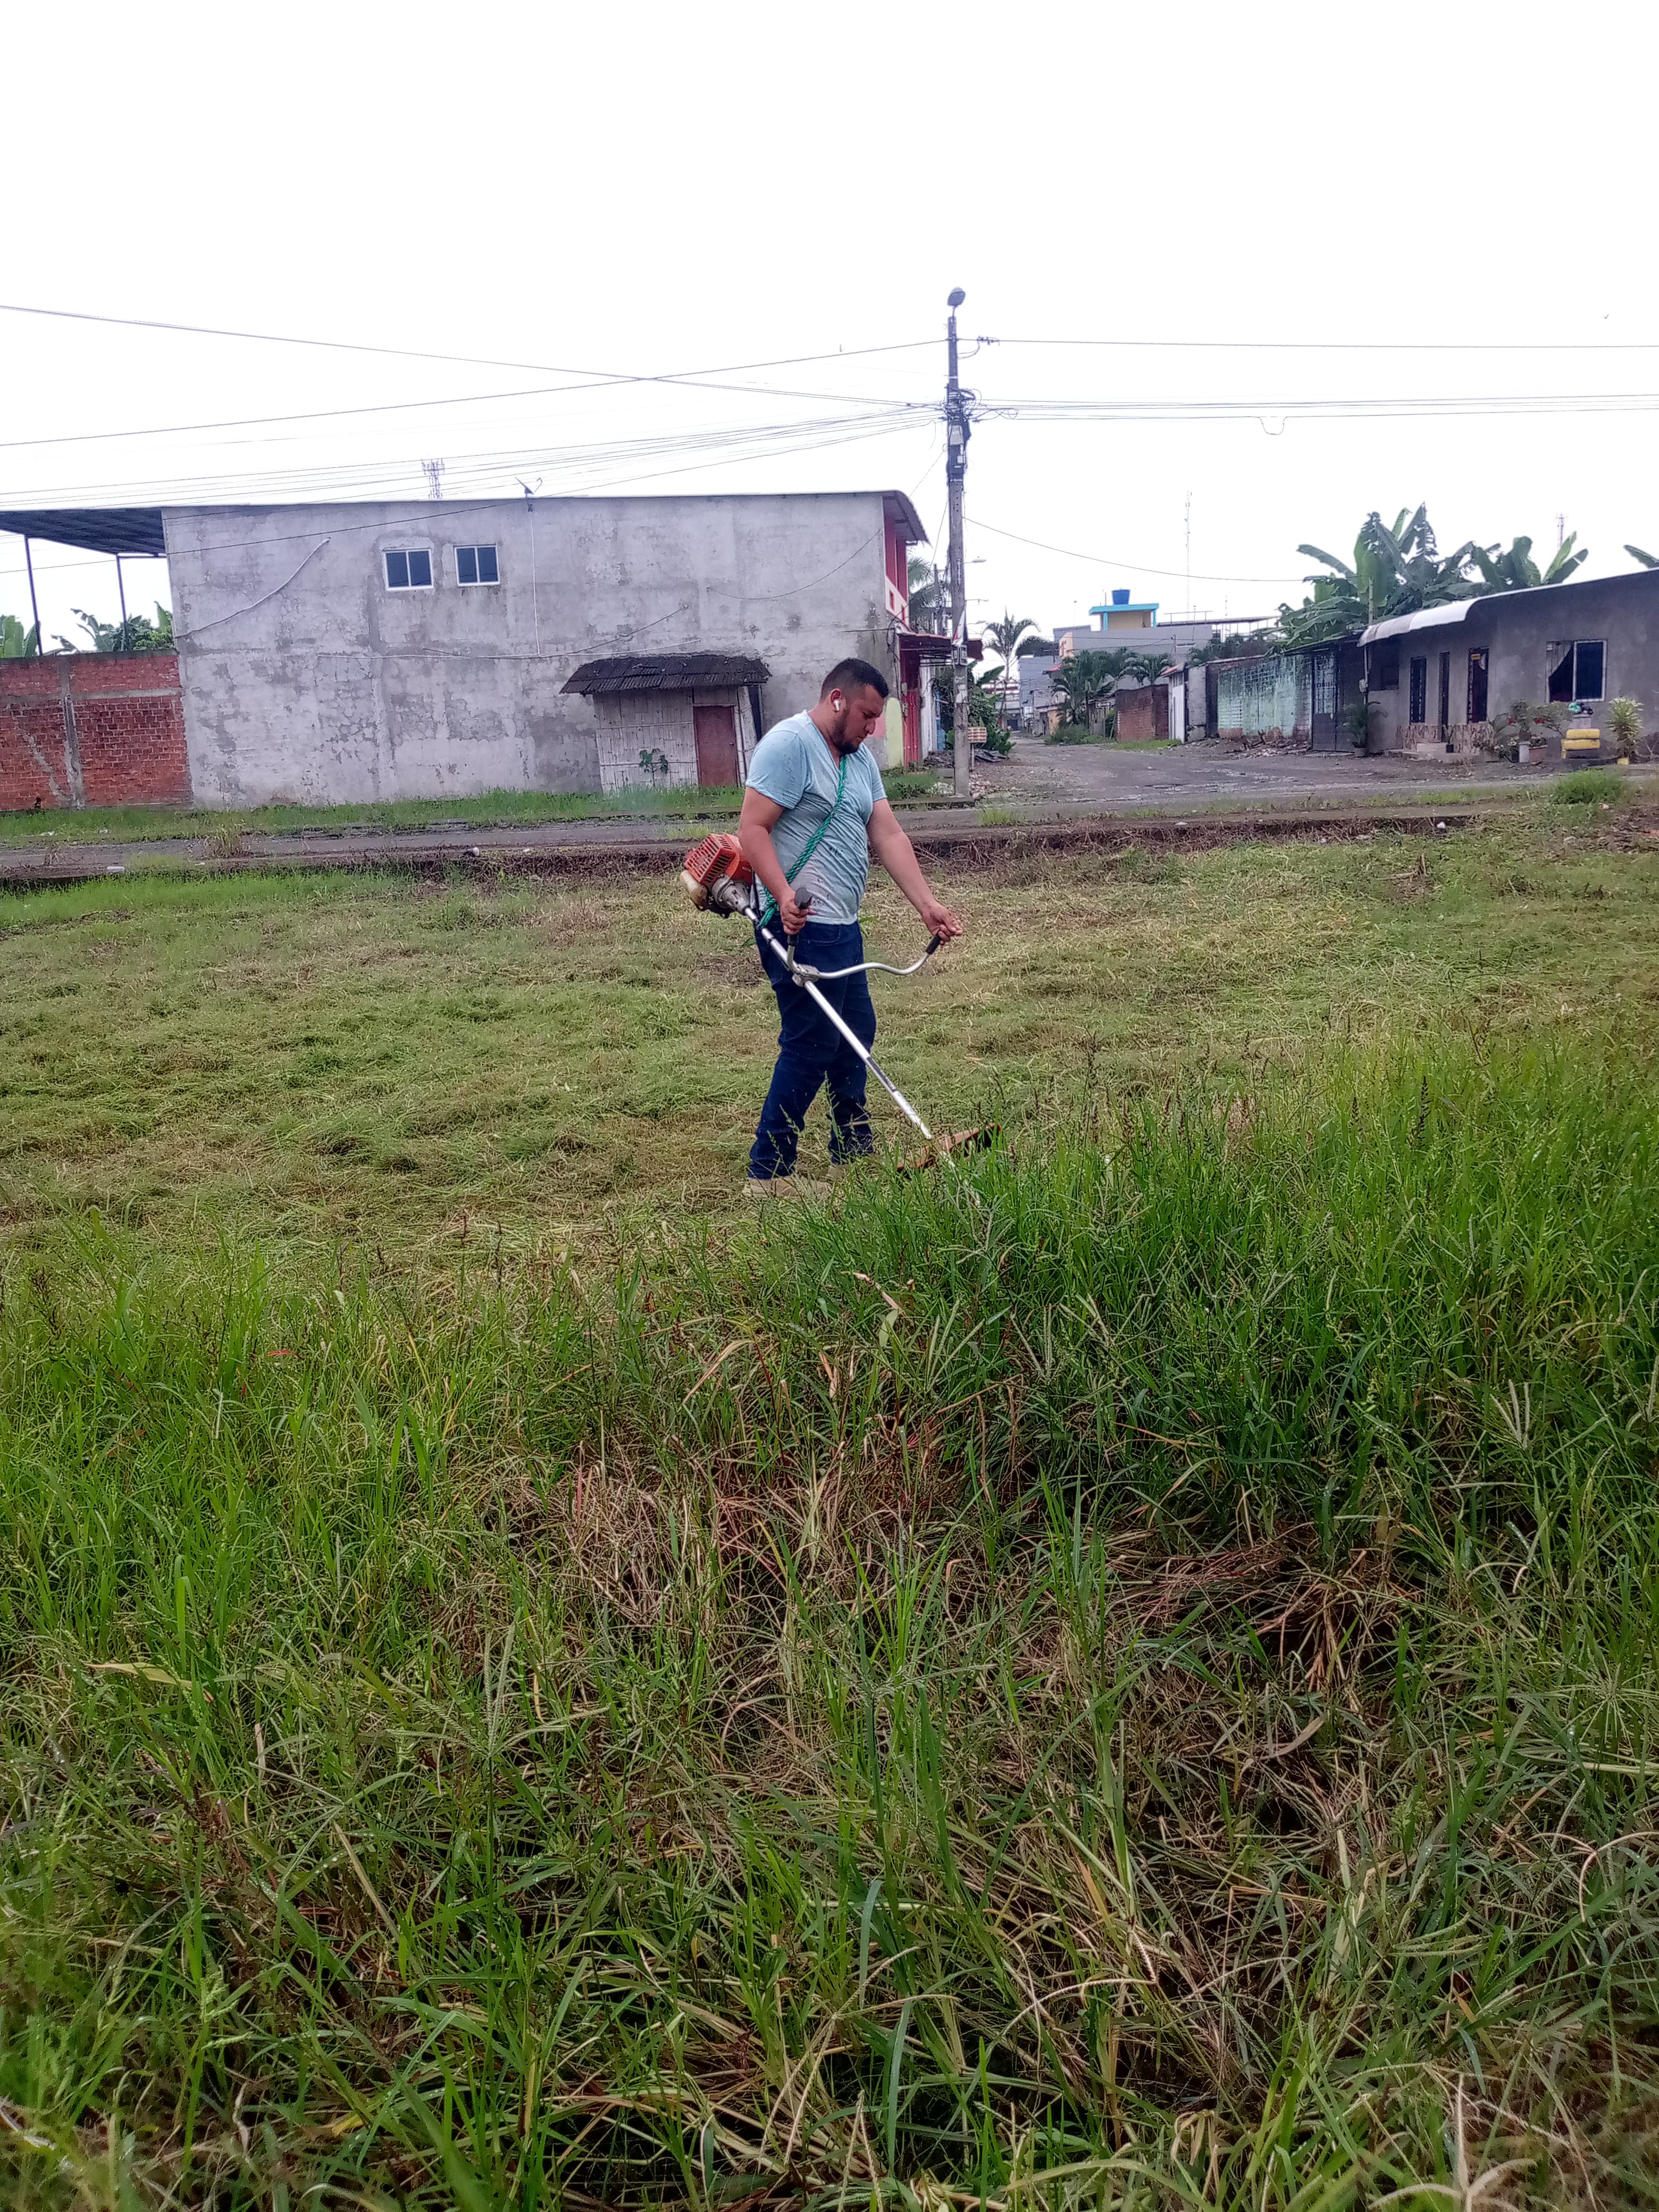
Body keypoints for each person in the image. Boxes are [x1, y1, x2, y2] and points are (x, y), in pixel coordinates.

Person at [738, 657, 963, 1195]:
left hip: (843, 924)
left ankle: (852, 1153)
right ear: (837, 700)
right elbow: (752, 828)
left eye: (877, 719)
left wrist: (926, 905)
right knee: (812, 1042)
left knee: (856, 1034)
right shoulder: (789, 746)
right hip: (797, 926)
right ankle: (769, 1173)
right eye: (866, 715)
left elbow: (888, 835)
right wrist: (784, 895)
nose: (871, 728)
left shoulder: (859, 760)